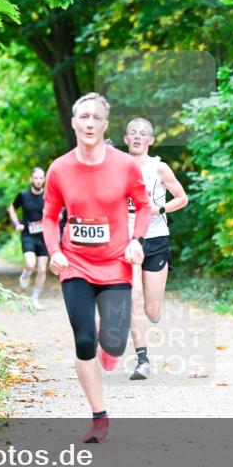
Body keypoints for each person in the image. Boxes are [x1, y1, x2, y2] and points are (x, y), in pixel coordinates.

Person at [43, 92, 151, 443]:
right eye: (83, 117)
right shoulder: (59, 168)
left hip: (116, 264)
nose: (89, 123)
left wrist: (137, 241)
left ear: (105, 125)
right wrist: (54, 251)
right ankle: (99, 418)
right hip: (75, 264)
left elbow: (144, 206)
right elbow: (48, 217)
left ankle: (111, 343)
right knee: (84, 339)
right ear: (74, 122)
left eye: (96, 118)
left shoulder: (125, 165)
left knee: (115, 345)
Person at [123, 117, 188, 380]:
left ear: (150, 140)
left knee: (152, 310)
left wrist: (158, 209)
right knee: (133, 300)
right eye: (132, 133)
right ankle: (142, 360)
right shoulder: (116, 167)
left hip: (157, 238)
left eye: (143, 134)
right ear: (126, 139)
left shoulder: (160, 168)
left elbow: (182, 198)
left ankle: (154, 312)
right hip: (128, 240)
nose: (137, 137)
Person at [7, 167, 49, 309]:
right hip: (28, 235)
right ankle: (26, 273)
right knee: (31, 264)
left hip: (44, 236)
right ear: (31, 179)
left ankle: (35, 298)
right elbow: (11, 208)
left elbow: (57, 209)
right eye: (36, 178)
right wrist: (17, 224)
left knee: (42, 269)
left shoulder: (48, 195)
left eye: (41, 178)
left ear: (44, 179)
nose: (38, 181)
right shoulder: (23, 195)